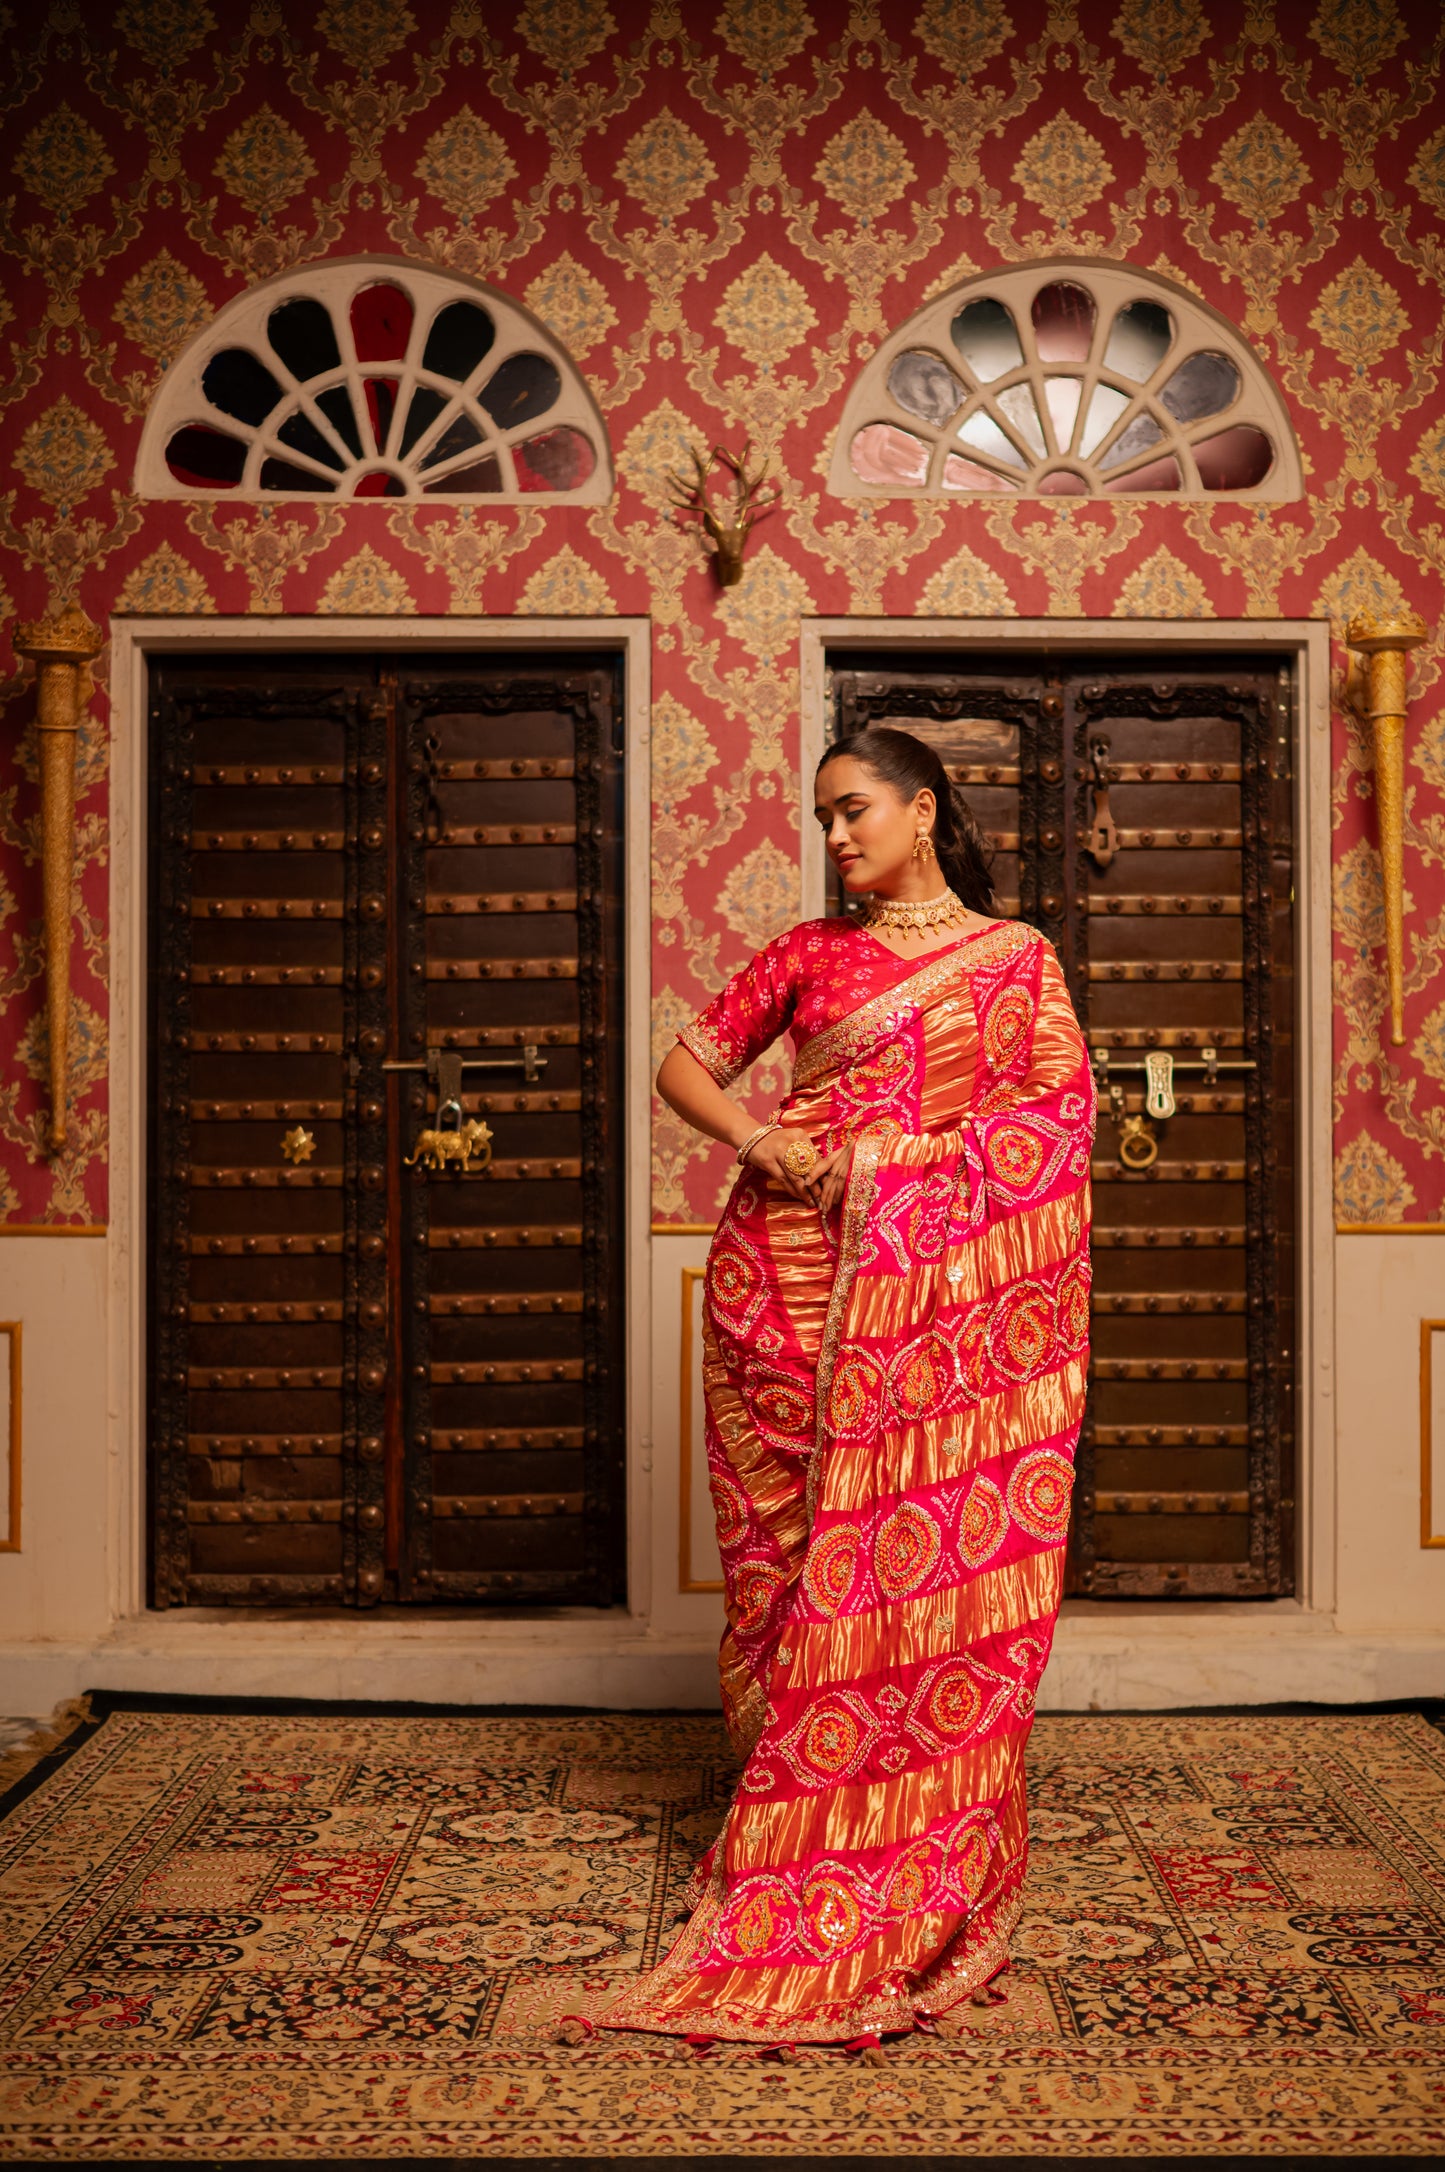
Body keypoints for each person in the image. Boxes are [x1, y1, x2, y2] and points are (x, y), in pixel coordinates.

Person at [595, 726, 1094, 2045]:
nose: (834, 840)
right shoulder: (807, 956)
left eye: (853, 811)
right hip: (775, 1281)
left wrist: (888, 1166)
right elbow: (681, 1066)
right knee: (785, 1561)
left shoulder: (1015, 960)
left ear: (923, 810)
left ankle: (896, 1837)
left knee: (904, 1568)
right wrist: (765, 1142)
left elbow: (1052, 1125)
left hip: (928, 1313)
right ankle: (789, 1811)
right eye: (821, 820)